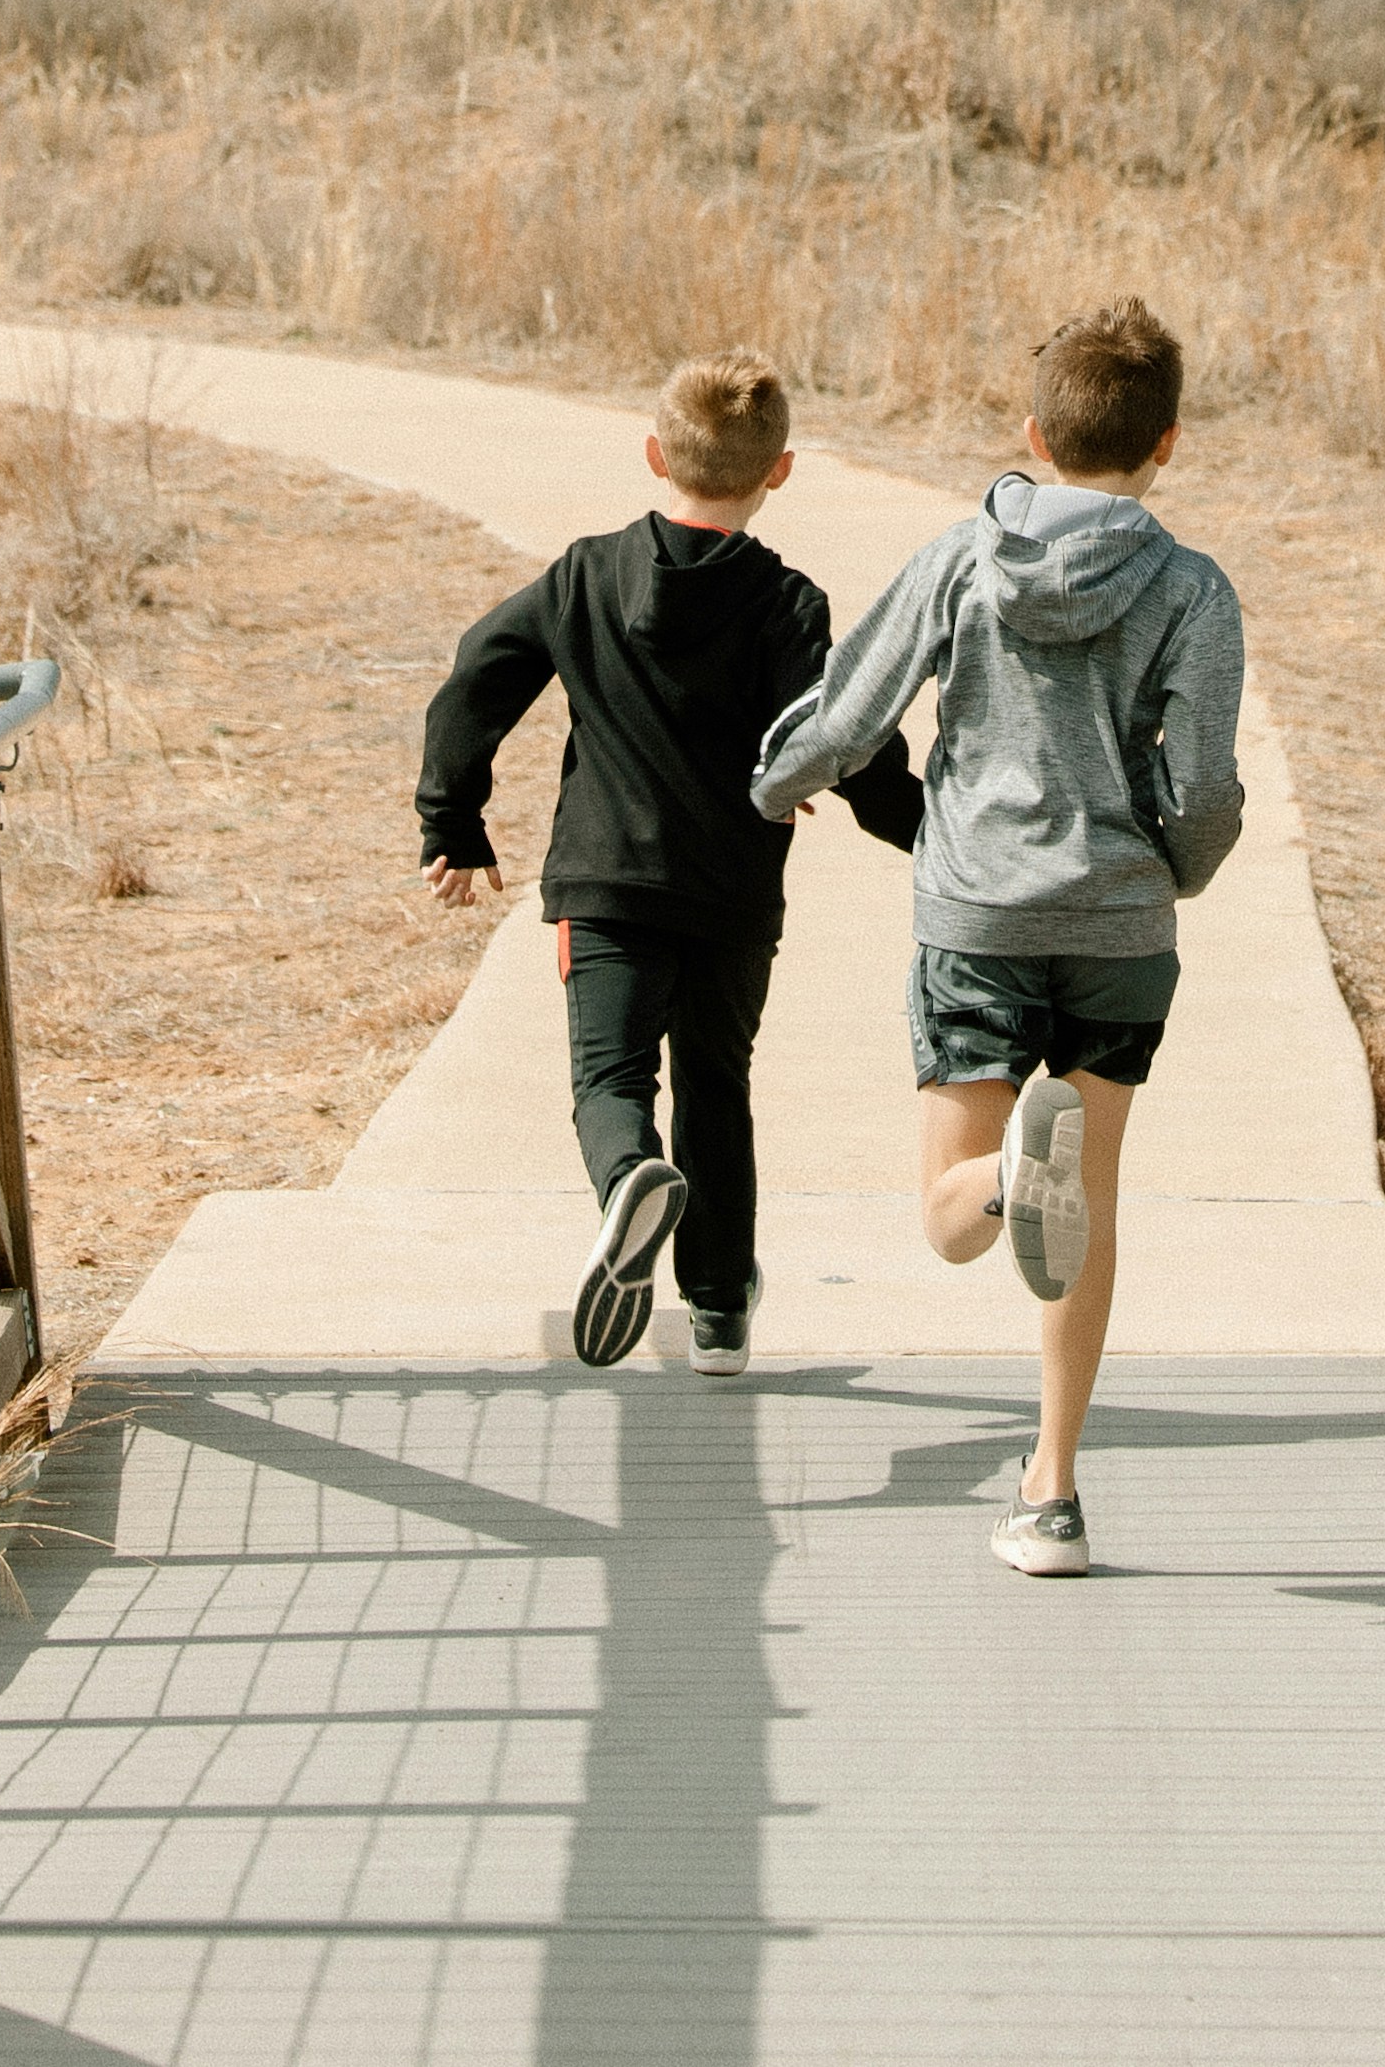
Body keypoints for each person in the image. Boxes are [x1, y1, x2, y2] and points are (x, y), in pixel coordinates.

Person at [751, 298, 1245, 1576]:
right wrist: (1172, 875)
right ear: (1168, 444)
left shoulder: (963, 558)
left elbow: (852, 704)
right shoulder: (1192, 589)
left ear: (1030, 432)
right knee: (1091, 1200)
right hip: (1121, 923)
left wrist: (769, 783)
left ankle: (1008, 1177)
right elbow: (1198, 784)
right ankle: (1052, 1492)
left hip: (975, 912)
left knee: (949, 1217)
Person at [414, 351, 914, 1375]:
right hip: (731, 897)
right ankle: (721, 1311)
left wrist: (452, 818)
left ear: (654, 454)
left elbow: (478, 674)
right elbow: (848, 731)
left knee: (610, 1079)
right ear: (779, 471)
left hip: (604, 890)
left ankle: (630, 1181)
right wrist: (924, 832)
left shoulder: (585, 575)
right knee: (717, 1086)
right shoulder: (789, 605)